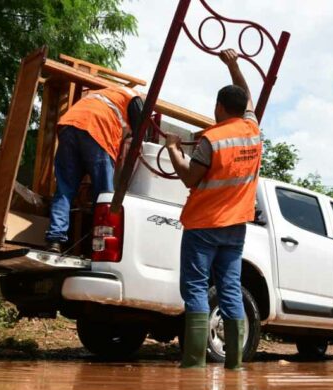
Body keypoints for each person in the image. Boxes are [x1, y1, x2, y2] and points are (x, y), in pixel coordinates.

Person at [165, 49, 262, 369]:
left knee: (194, 288)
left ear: (219, 107)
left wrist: (173, 151)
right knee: (230, 290)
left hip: (203, 226)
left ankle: (193, 363)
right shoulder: (253, 132)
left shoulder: (212, 140)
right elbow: (248, 97)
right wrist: (233, 64)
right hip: (235, 228)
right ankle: (234, 365)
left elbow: (190, 179)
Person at [45, 86, 143, 252]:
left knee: (65, 189)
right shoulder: (134, 96)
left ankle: (55, 240)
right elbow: (141, 129)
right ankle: (101, 246)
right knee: (104, 196)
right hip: (97, 129)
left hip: (69, 126)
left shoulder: (108, 94)